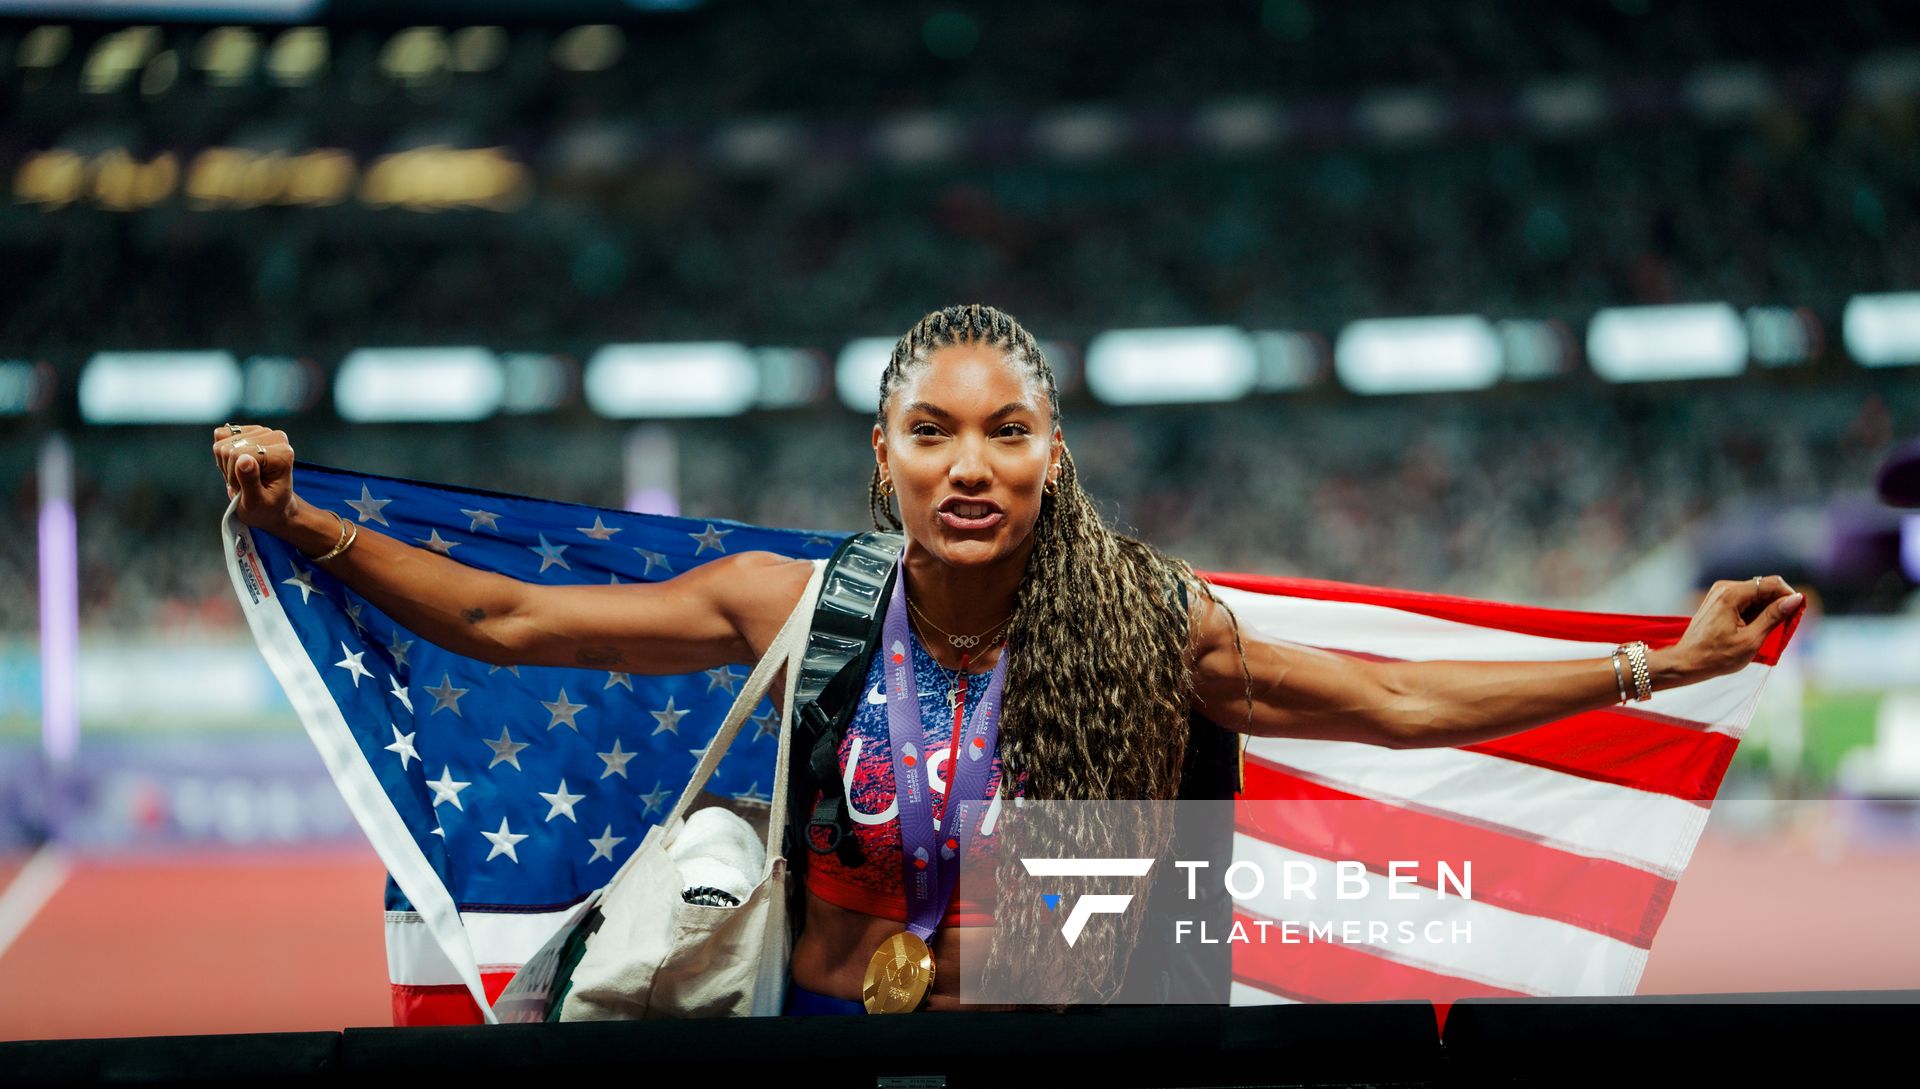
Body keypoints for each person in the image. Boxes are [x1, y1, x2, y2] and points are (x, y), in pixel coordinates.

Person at [212, 302, 1805, 1015]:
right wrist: (304, 528)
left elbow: (1386, 705)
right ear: (886, 458)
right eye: (933, 433)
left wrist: (1651, 670)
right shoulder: (797, 605)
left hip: (1062, 1076)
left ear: (1055, 455)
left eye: (1008, 430)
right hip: (821, 1056)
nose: (970, 464)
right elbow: (510, 621)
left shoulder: (1145, 624)